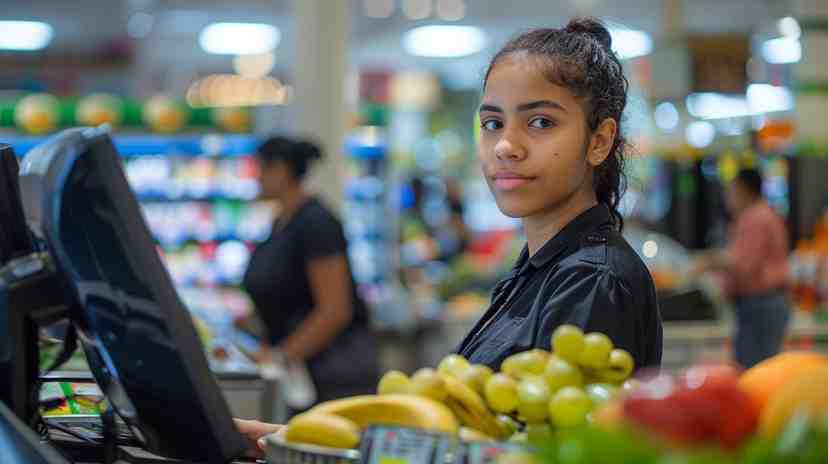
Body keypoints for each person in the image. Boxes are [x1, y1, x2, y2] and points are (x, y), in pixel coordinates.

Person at [236, 17, 663, 452]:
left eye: (540, 123)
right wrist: (288, 443)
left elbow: (548, 451)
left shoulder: (593, 280)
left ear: (599, 141)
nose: (505, 146)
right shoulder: (540, 268)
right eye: (493, 123)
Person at [241, 136, 379, 404]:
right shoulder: (281, 223)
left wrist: (283, 356)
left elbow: (335, 310)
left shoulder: (316, 224)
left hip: (331, 376)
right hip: (301, 372)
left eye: (259, 169)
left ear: (280, 170)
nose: (254, 178)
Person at [692, 168, 790, 368]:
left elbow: (743, 264)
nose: (727, 198)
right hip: (764, 303)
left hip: (760, 304)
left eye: (731, 191)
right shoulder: (764, 214)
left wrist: (708, 261)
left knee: (754, 371)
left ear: (744, 191)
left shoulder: (755, 218)